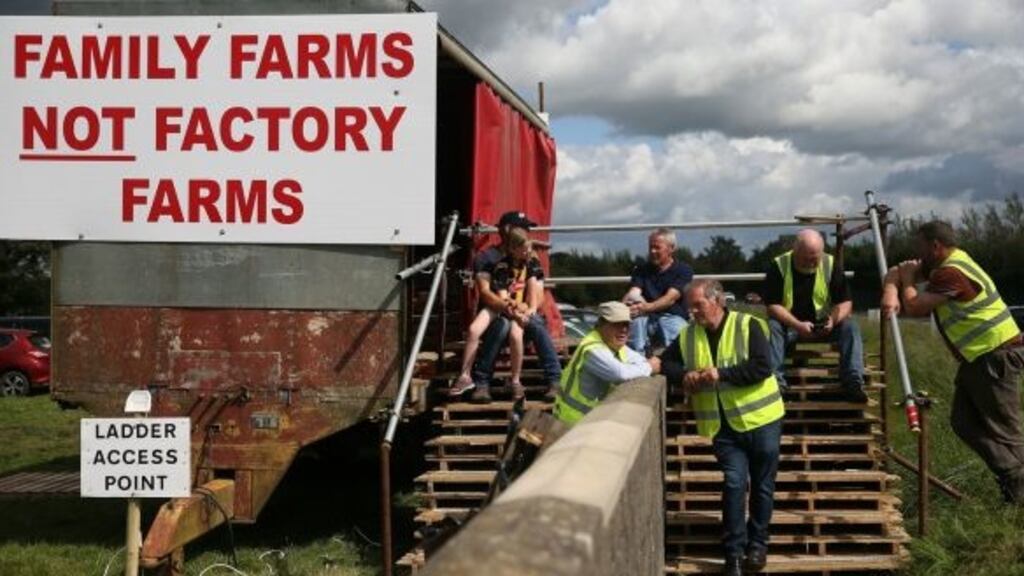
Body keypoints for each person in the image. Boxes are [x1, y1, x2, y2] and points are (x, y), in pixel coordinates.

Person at [881, 220, 1024, 503]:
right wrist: (890, 290)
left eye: (920, 247)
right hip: (978, 357)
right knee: (964, 423)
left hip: (994, 354)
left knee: (1007, 431)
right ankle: (1012, 477)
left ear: (935, 246)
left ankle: (1018, 490)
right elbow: (897, 271)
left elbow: (915, 307)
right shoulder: (946, 261)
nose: (916, 253)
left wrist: (906, 283)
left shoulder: (950, 272)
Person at [660, 279, 783, 576]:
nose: (692, 312)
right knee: (733, 484)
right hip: (722, 426)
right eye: (690, 306)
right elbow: (667, 363)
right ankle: (734, 555)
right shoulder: (689, 335)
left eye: (698, 305)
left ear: (717, 301)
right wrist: (685, 375)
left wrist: (722, 374)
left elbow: (762, 367)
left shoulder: (748, 325)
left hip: (763, 420)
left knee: (763, 487)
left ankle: (758, 545)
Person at [469, 212, 563, 403]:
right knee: (501, 325)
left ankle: (555, 381)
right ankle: (482, 383)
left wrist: (526, 311)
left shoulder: (530, 257)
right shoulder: (487, 257)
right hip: (498, 314)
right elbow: (486, 293)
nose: (527, 232)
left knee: (535, 321)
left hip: (521, 312)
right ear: (508, 230)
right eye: (524, 228)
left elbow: (537, 292)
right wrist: (510, 310)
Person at [764, 229, 867, 402]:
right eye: (807, 258)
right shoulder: (778, 266)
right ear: (794, 250)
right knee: (773, 327)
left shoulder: (830, 264)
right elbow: (772, 306)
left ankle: (853, 382)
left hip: (824, 326)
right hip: (790, 327)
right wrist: (797, 325)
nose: (812, 262)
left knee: (851, 327)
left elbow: (845, 302)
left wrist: (833, 320)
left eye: (816, 257)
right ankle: (777, 384)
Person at [553, 301, 659, 425]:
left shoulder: (613, 344)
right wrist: (649, 367)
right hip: (570, 424)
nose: (624, 330)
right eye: (617, 324)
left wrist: (644, 366)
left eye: (626, 324)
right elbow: (620, 374)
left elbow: (640, 361)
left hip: (589, 422)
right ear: (601, 324)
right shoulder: (592, 349)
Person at [623, 227, 693, 355]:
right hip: (645, 318)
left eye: (657, 247)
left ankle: (673, 362)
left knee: (678, 332)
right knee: (636, 323)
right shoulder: (641, 270)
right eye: (650, 247)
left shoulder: (683, 270)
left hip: (672, 317)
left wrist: (645, 307)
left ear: (671, 248)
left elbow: (670, 299)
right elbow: (634, 292)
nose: (652, 251)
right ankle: (637, 363)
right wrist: (627, 306)